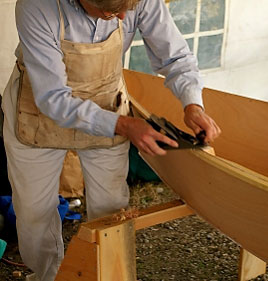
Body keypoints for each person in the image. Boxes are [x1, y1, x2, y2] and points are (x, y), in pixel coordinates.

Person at [1, 0, 221, 280]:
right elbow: (53, 99)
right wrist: (125, 125)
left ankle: (108, 275)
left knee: (112, 208)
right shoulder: (36, 6)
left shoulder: (137, 1)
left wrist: (193, 105)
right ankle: (48, 275)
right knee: (34, 213)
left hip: (106, 98)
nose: (120, 17)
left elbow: (175, 57)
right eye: (109, 11)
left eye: (127, 9)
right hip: (38, 107)